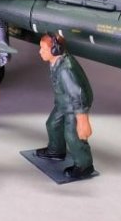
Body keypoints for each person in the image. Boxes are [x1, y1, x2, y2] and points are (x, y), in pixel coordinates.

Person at [36, 33, 94, 179]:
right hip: (63, 102)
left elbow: (77, 94)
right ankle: (56, 151)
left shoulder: (65, 70)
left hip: (75, 105)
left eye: (43, 49)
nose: (40, 52)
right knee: (52, 124)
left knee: (73, 135)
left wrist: (82, 120)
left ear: (54, 50)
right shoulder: (56, 62)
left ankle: (84, 165)